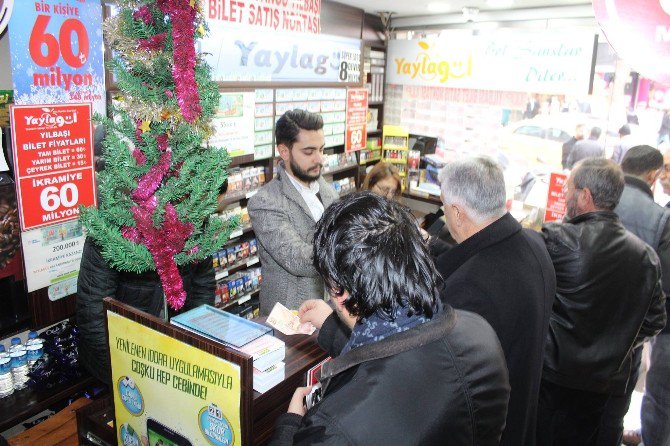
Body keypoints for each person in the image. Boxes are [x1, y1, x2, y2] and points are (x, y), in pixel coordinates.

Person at [270, 192, 510, 445]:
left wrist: (291, 425)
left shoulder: (336, 427)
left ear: (339, 294)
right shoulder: (481, 332)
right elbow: (403, 356)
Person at [538, 158, 667, 445]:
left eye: (569, 188)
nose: (565, 195)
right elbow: (655, 319)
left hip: (552, 377)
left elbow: (530, 296)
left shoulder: (557, 240)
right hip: (604, 386)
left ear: (584, 196)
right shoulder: (645, 256)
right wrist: (617, 341)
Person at [432, 156, 555, 446]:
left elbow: (449, 380)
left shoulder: (470, 286)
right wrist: (432, 245)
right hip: (523, 409)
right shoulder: (533, 244)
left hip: (486, 429)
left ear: (458, 213)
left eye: (444, 207)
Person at [598, 145, 670, 446]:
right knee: (617, 403)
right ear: (652, 175)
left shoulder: (595, 197)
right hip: (630, 331)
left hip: (582, 319)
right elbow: (663, 288)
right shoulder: (659, 219)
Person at [77, 239, 215, 384]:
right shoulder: (107, 227)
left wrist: (195, 347)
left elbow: (204, 285)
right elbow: (93, 313)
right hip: (124, 364)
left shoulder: (195, 221)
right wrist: (127, 371)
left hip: (177, 358)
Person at [248, 109, 338, 314]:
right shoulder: (265, 202)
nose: (319, 159)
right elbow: (298, 259)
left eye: (322, 149)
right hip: (290, 320)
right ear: (284, 151)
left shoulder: (328, 192)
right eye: (309, 151)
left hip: (330, 311)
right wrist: (350, 248)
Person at [623, 147, 670, 446]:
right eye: (664, 169)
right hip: (639, 323)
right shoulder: (658, 217)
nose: (665, 176)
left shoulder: (595, 197)